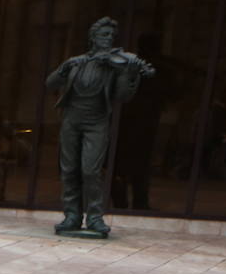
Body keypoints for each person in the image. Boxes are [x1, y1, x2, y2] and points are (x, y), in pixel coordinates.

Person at [44, 16, 152, 237]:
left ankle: (94, 218)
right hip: (72, 119)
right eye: (104, 34)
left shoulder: (115, 66)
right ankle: (72, 215)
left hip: (96, 121)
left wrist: (130, 73)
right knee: (69, 170)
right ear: (93, 38)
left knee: (90, 170)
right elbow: (50, 83)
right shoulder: (77, 61)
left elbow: (123, 96)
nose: (108, 38)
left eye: (111, 36)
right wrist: (63, 69)